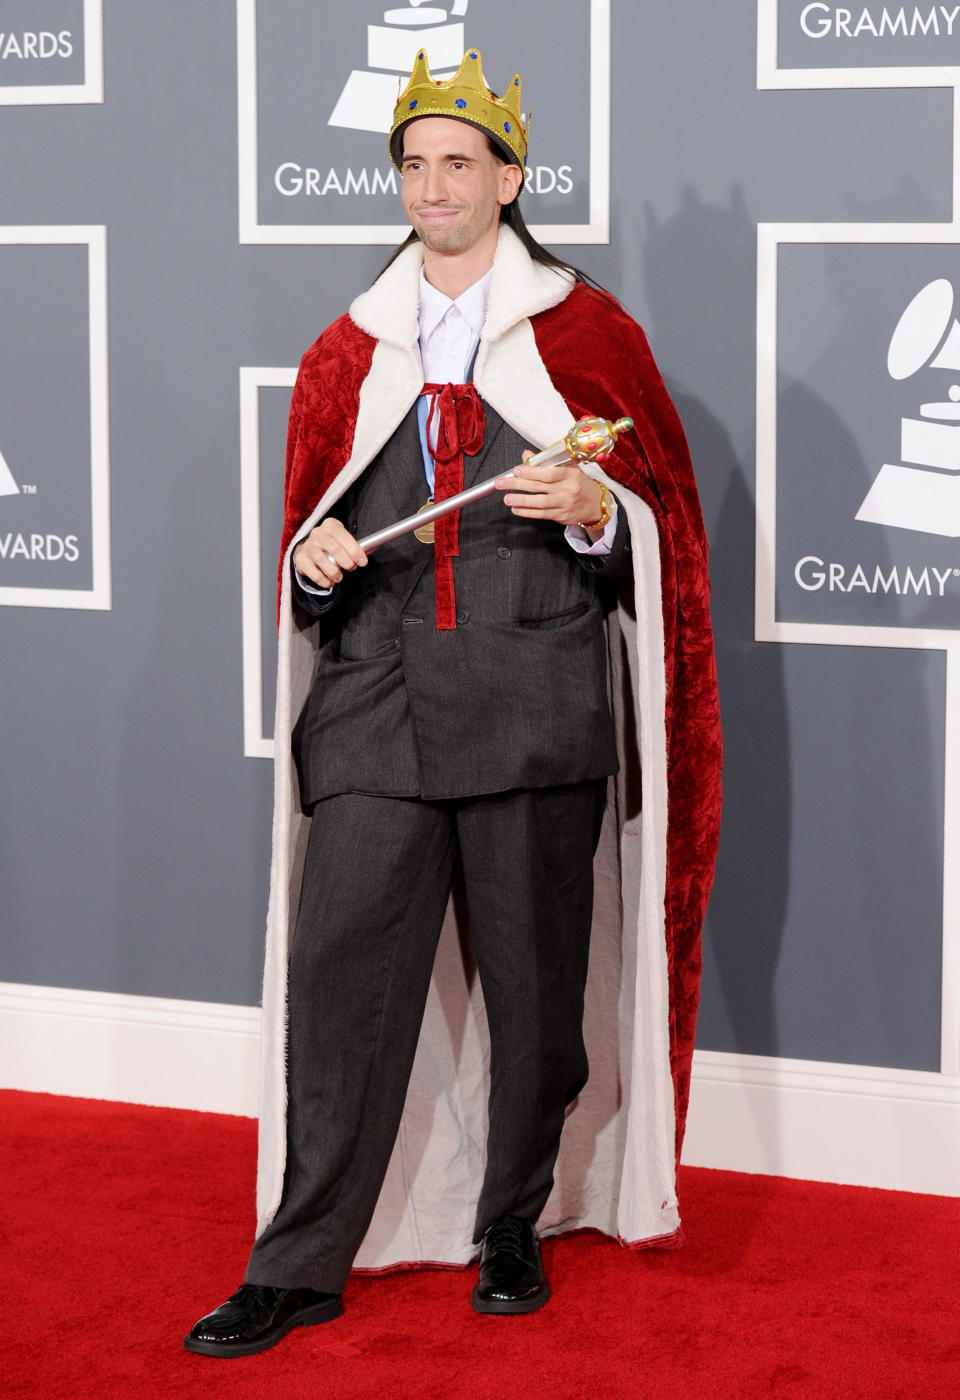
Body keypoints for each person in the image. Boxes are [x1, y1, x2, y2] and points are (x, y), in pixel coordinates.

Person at [185, 47, 721, 1358]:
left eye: (458, 164)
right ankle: (300, 1260)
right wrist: (311, 557)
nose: (434, 186)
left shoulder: (589, 338)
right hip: (374, 699)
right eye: (415, 165)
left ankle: (513, 1224)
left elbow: (661, 535)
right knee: (340, 980)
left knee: (537, 991)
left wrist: (602, 514)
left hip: (533, 692)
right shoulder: (347, 347)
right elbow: (319, 525)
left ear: (509, 180)